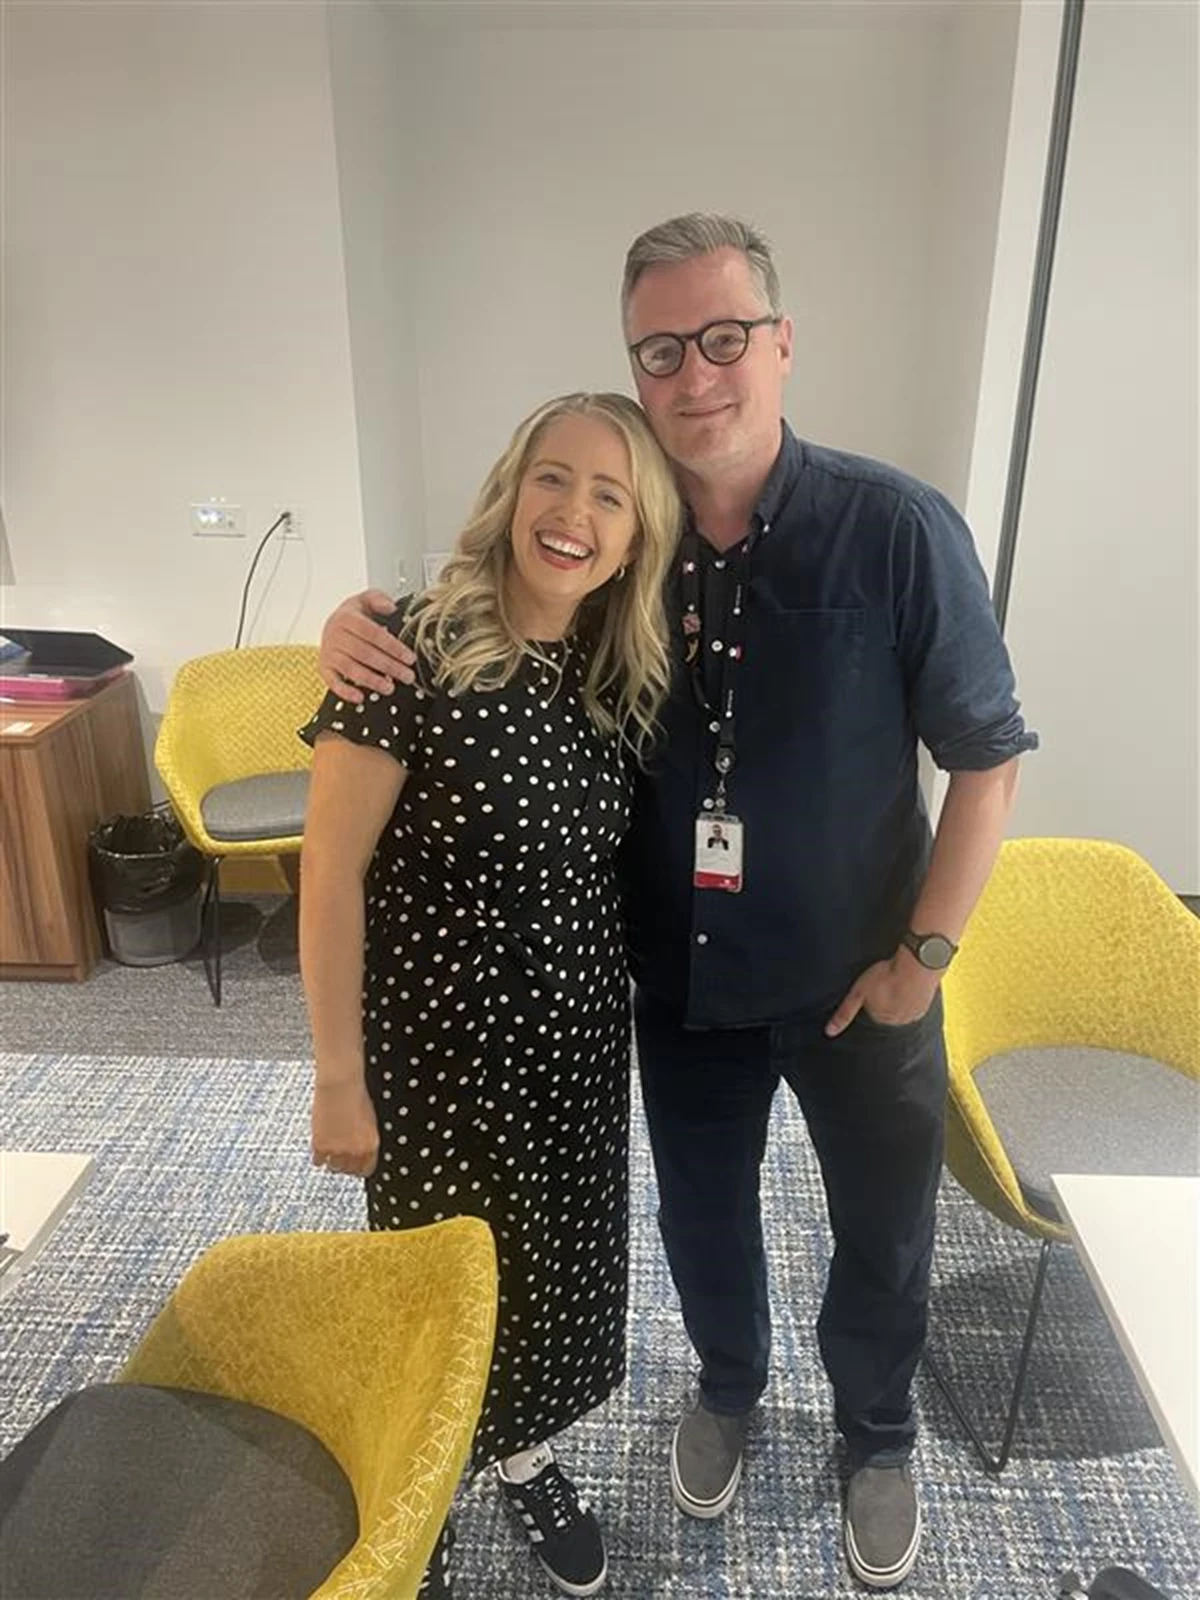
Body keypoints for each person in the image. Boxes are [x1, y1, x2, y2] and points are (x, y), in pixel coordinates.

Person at [317, 214, 1038, 1591]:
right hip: (681, 991)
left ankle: (878, 1435)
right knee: (701, 1216)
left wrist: (926, 960)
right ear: (636, 367)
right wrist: (355, 625)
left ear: (780, 343)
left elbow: (989, 762)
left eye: (723, 338)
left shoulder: (894, 531)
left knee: (883, 1225)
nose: (696, 373)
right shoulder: (626, 555)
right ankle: (726, 1385)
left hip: (859, 980)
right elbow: (486, 612)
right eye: (662, 349)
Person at [298, 391, 681, 1598]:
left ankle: (520, 1454)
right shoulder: (406, 644)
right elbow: (330, 874)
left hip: (569, 1064)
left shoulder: (616, 680)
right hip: (436, 1068)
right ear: (513, 489)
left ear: (636, 537)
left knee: (547, 1281)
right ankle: (422, 1481)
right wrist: (337, 1077)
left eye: (609, 498)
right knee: (438, 1292)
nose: (573, 514)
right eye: (553, 479)